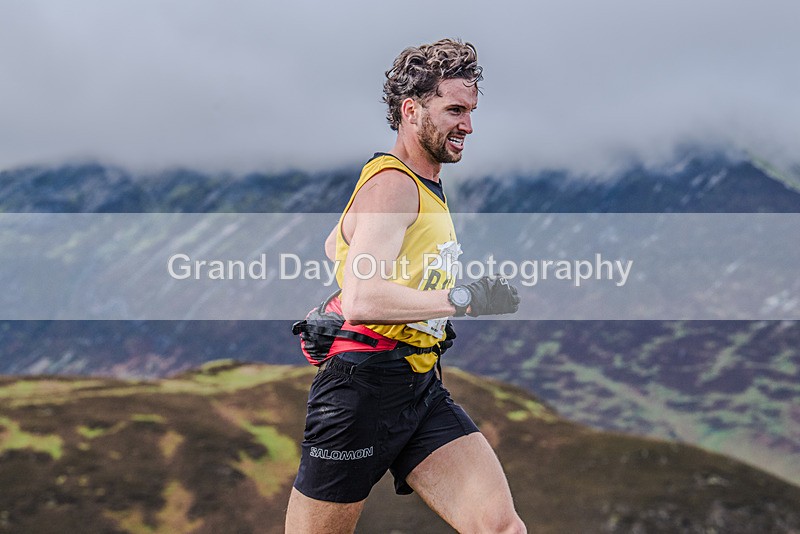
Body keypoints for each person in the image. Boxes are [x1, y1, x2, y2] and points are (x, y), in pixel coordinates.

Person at [285, 38, 526, 533]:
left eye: (471, 111)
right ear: (411, 111)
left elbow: (336, 243)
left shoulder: (416, 183)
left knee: (501, 527)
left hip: (418, 388)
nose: (468, 125)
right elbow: (364, 297)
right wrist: (465, 299)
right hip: (358, 394)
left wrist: (342, 298)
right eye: (455, 110)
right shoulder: (393, 184)